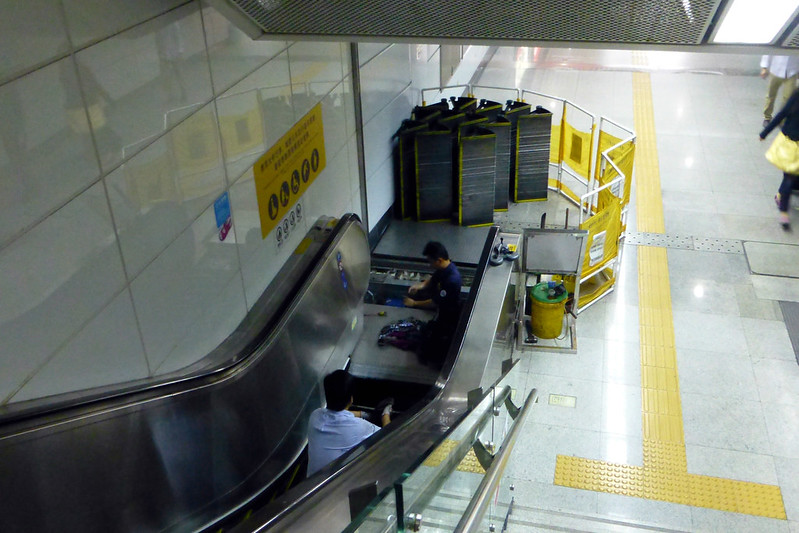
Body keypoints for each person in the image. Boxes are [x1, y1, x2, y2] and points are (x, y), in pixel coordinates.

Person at [306, 370, 392, 476]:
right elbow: (389, 435)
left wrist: (362, 414)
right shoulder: (359, 427)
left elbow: (338, 414)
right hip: (336, 486)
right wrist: (386, 413)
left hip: (311, 483)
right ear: (351, 399)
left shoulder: (315, 416)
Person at [404, 241, 463, 366]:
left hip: (449, 315)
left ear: (439, 260)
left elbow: (434, 303)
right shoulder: (445, 268)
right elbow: (433, 279)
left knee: (431, 349)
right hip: (442, 306)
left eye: (430, 261)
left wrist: (414, 303)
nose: (430, 265)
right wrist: (420, 286)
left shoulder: (452, 279)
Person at [761, 89, 799, 229]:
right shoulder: (796, 96)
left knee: (792, 178)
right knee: (789, 177)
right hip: (790, 146)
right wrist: (765, 132)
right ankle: (784, 212)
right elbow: (781, 115)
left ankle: (781, 195)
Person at [760, 55, 799, 128]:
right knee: (771, 95)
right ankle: (767, 117)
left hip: (792, 71)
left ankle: (782, 119)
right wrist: (764, 67)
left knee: (788, 98)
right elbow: (769, 52)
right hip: (776, 69)